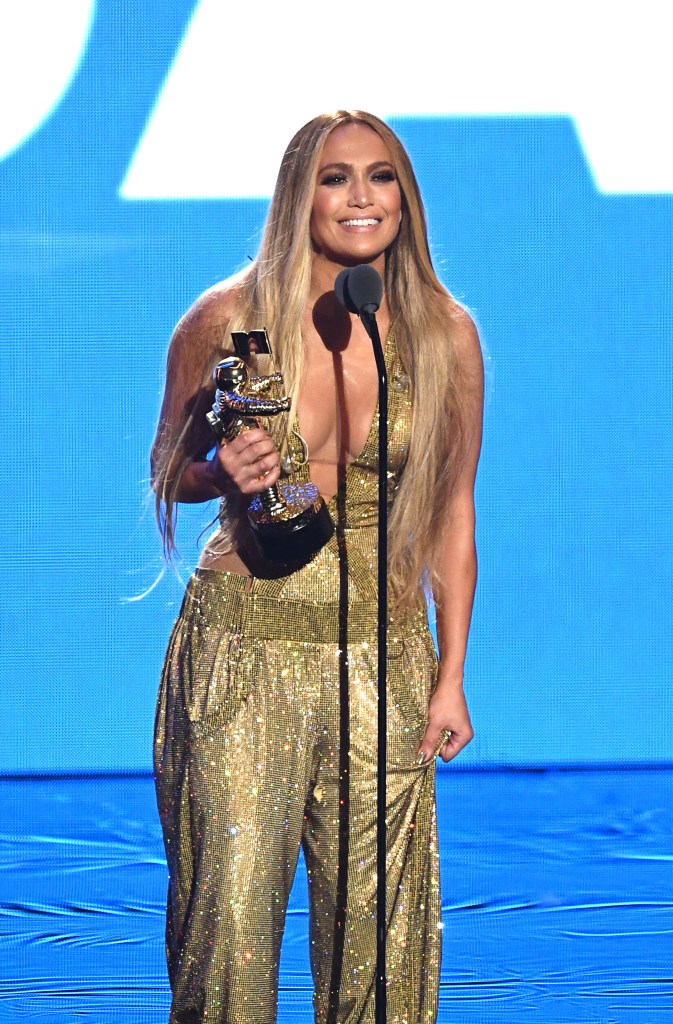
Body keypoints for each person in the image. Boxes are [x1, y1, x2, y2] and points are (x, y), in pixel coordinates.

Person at [151, 110, 483, 1024]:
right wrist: (221, 471)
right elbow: (171, 472)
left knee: (382, 946)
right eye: (336, 178)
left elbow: (453, 512)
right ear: (300, 195)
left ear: (404, 200)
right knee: (228, 929)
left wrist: (449, 678)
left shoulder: (443, 335)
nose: (360, 198)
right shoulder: (225, 319)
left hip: (383, 657)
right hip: (243, 657)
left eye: (380, 177)